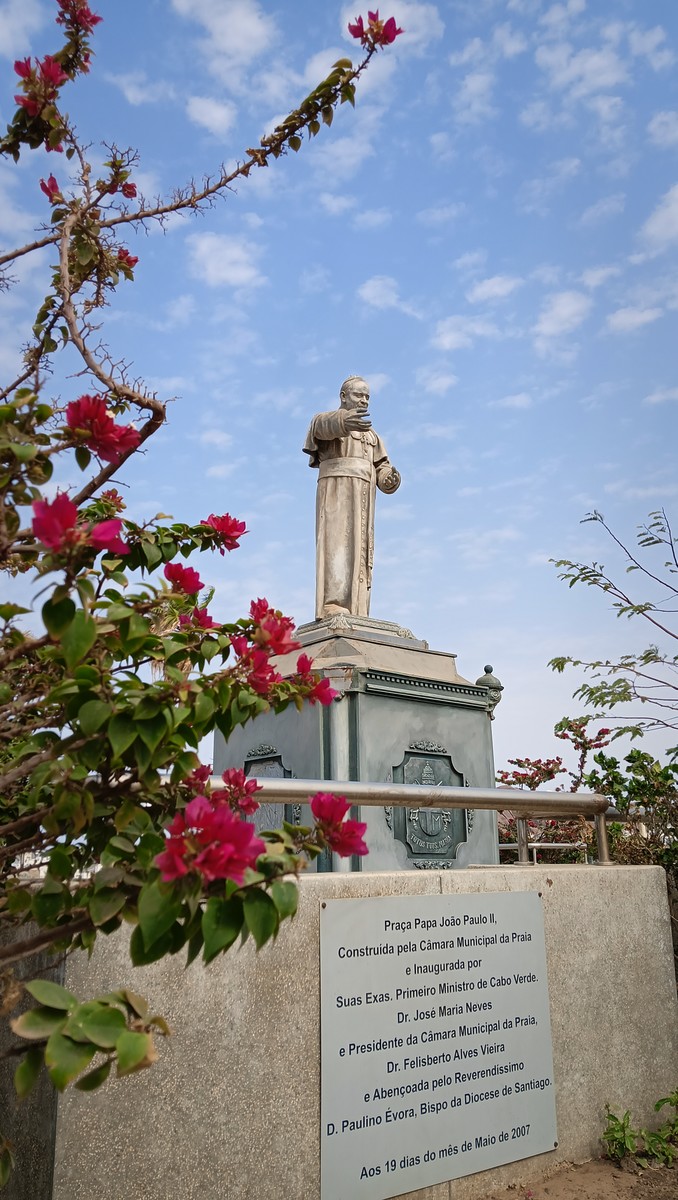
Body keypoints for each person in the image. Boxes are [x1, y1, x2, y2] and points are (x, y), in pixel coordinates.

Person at [303, 375, 400, 620]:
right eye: (359, 395)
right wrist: (345, 422)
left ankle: (358, 608)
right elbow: (320, 429)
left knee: (361, 553)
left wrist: (388, 477)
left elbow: (382, 465)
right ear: (343, 396)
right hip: (337, 492)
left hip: (365, 495)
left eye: (367, 396)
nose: (364, 400)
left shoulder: (371, 435)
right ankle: (333, 605)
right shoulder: (326, 420)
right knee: (337, 545)